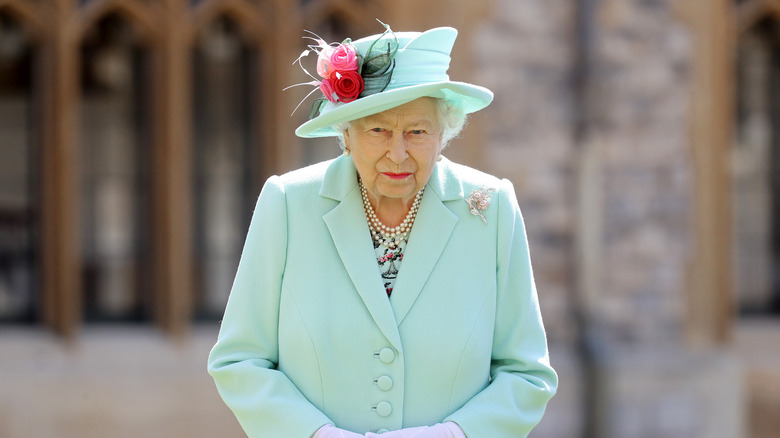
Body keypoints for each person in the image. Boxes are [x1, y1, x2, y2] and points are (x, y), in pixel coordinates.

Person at [207, 22, 557, 438]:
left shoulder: (490, 207)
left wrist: (449, 436)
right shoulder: (287, 203)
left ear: (442, 134)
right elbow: (240, 360)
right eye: (378, 130)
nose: (398, 152)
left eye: (417, 132)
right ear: (346, 134)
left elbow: (526, 374)